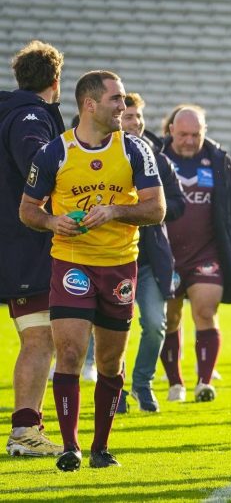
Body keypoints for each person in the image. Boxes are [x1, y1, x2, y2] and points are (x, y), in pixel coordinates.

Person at [19, 70, 165, 470]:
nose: (123, 106)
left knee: (110, 363)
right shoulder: (55, 153)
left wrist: (116, 210)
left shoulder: (135, 149)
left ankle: (101, 446)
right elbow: (27, 210)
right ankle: (70, 446)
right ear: (90, 104)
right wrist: (52, 222)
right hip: (71, 261)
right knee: (68, 352)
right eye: (116, 99)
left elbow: (156, 208)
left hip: (120, 266)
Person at [0, 40, 65, 456]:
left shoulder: (11, 111)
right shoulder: (31, 116)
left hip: (12, 242)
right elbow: (37, 165)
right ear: (55, 82)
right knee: (40, 339)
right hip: (23, 244)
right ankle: (25, 431)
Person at [161, 106, 231, 403]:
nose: (189, 140)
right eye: (184, 134)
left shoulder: (217, 160)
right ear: (171, 130)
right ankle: (175, 382)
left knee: (205, 311)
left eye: (196, 135)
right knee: (170, 318)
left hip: (206, 253)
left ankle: (204, 382)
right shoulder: (156, 157)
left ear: (205, 132)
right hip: (166, 254)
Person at [116, 93, 186, 413]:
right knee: (114, 328)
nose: (136, 123)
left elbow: (177, 203)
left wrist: (146, 209)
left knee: (156, 325)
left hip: (148, 260)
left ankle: (142, 384)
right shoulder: (99, 156)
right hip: (112, 257)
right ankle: (113, 388)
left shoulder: (157, 158)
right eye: (129, 117)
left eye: (139, 117)